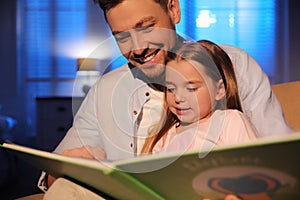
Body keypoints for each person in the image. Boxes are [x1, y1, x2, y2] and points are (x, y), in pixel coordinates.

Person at [38, 0, 293, 192]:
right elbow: (56, 173)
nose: (138, 48)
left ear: (173, 9)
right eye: (122, 37)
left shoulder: (234, 65)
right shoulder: (105, 90)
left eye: (147, 27)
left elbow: (283, 159)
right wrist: (60, 173)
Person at [141, 40, 257, 155]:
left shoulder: (230, 122)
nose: (178, 98)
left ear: (219, 90)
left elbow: (254, 165)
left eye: (191, 89)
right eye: (171, 89)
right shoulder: (164, 137)